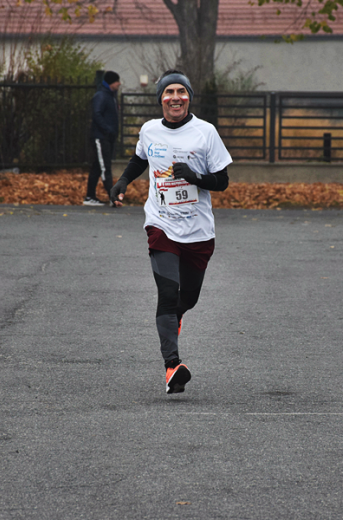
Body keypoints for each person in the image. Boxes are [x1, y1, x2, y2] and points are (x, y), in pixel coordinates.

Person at [110, 69, 232, 394]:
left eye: (181, 92)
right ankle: (172, 366)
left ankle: (175, 318)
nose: (175, 97)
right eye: (169, 92)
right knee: (167, 294)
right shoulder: (150, 130)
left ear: (188, 97)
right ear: (161, 99)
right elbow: (140, 159)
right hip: (161, 224)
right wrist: (123, 181)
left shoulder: (205, 132)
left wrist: (196, 177)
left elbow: (222, 181)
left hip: (198, 231)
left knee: (187, 298)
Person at [85, 70, 120, 206]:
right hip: (101, 137)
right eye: (117, 81)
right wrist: (107, 129)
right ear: (112, 82)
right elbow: (97, 114)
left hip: (107, 137)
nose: (119, 84)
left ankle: (89, 196)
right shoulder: (101, 96)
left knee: (97, 167)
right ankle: (113, 197)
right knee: (105, 167)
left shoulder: (110, 95)